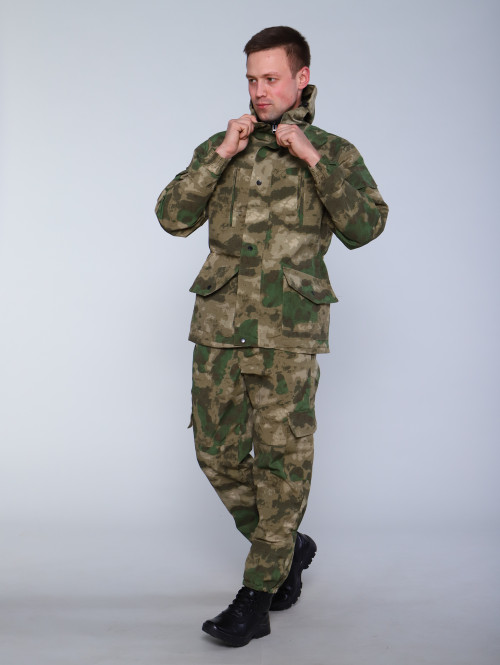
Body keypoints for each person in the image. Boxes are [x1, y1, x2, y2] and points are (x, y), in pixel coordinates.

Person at [155, 26, 388, 647]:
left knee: (283, 463)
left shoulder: (333, 151)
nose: (260, 91)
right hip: (221, 327)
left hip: (288, 330)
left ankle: (256, 596)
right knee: (216, 453)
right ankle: (288, 547)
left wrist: (311, 157)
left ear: (301, 78)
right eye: (252, 80)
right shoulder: (223, 145)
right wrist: (219, 155)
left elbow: (366, 226)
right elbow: (171, 217)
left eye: (272, 79)